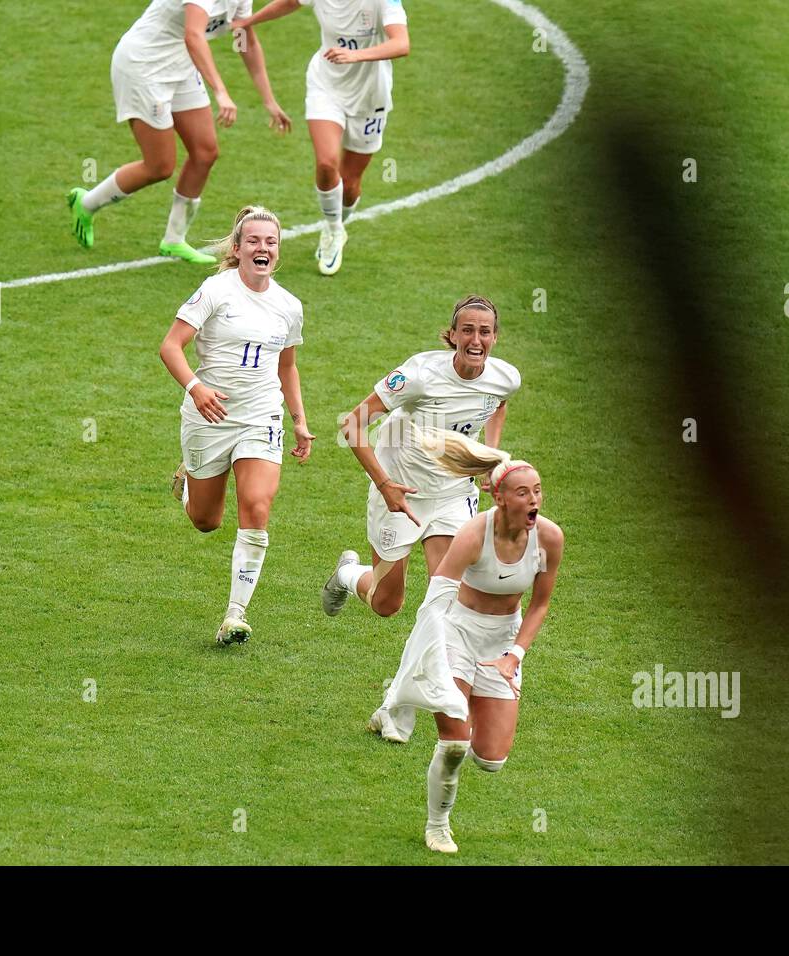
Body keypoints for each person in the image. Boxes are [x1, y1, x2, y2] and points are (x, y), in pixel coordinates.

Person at [372, 431, 564, 854]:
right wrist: (431, 653)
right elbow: (437, 599)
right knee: (456, 742)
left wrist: (514, 656)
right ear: (499, 498)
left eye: (537, 491)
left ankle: (409, 697)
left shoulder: (549, 538)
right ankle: (438, 825)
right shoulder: (473, 535)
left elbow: (539, 604)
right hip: (455, 629)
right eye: (522, 493)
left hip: (503, 641)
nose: (533, 500)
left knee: (490, 758)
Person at [158, 205, 313, 644]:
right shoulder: (215, 291)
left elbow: (288, 367)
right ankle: (187, 483)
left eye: (271, 242)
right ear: (239, 248)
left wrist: (299, 421)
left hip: (261, 416)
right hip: (209, 416)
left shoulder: (288, 306)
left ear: (277, 251)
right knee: (207, 521)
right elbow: (170, 346)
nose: (262, 248)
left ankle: (235, 614)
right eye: (254, 241)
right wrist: (195, 388)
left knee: (257, 507)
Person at [321, 295, 519, 621]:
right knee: (387, 603)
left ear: (495, 337)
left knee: (449, 596)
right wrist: (385, 486)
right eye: (467, 330)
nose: (476, 340)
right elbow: (352, 423)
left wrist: (490, 457)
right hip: (400, 491)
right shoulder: (420, 375)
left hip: (453, 493)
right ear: (452, 335)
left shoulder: (505, 378)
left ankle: (437, 670)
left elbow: (499, 403)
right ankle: (346, 574)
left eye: (485, 332)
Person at [68, 1, 292, 262]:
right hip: (144, 67)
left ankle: (174, 240)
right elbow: (193, 35)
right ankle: (85, 204)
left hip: (181, 64)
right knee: (159, 166)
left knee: (205, 152)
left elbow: (244, 37)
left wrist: (268, 100)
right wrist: (221, 92)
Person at [231, 0, 410, 274]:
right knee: (327, 163)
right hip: (326, 87)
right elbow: (290, 2)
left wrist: (356, 56)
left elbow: (401, 44)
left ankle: (333, 224)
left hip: (371, 97)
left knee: (350, 184)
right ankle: (334, 231)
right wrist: (249, 21)